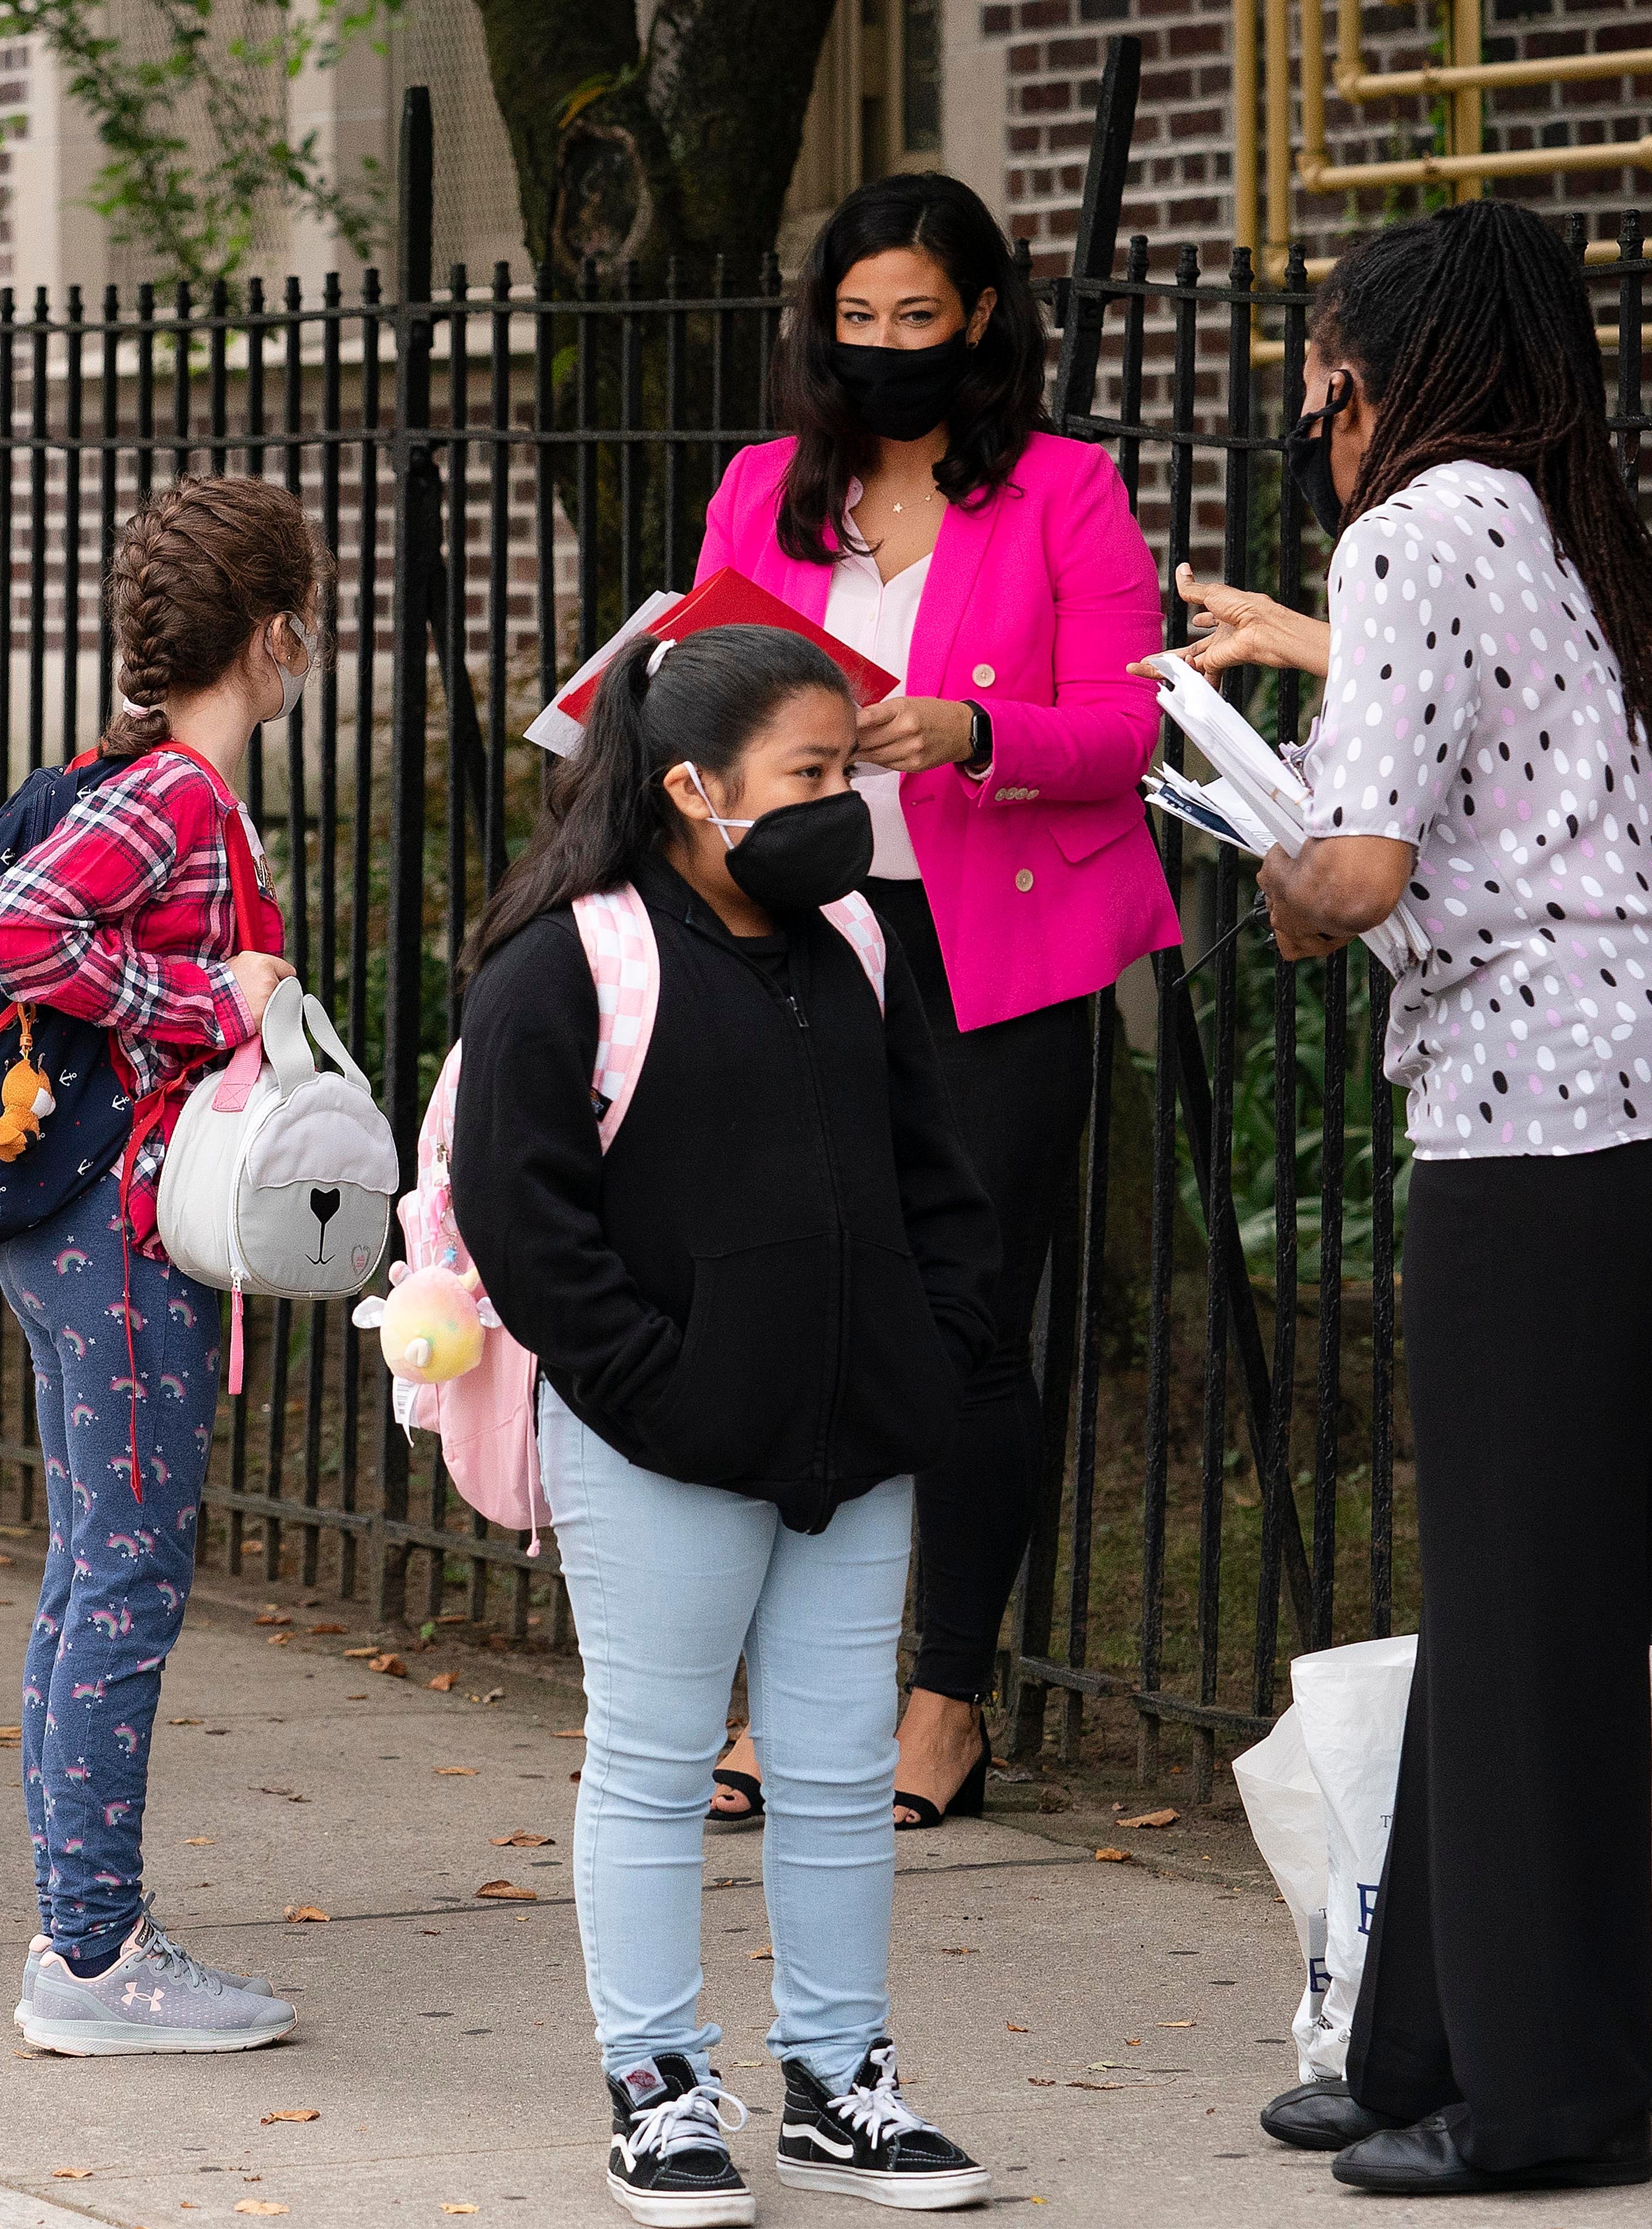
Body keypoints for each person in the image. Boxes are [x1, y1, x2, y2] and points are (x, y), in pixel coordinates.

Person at [1181, 199, 1652, 2195]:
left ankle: (1547, 2100)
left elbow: (1353, 872)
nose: (1314, 419)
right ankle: (1421, 2035)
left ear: (1386, 379)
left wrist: (1271, 866)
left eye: (1321, 385)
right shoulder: (1567, 530)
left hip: (1552, 1111)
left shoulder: (1413, 527)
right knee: (1528, 1580)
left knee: (1525, 1597)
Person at [450, 625, 1005, 2224]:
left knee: (838, 1771)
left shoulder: (861, 949)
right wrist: (660, 1389)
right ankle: (661, 2088)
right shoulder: (568, 963)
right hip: (659, 1449)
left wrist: (931, 1350)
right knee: (655, 1763)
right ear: (696, 788)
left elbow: (938, 1181)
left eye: (849, 767)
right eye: (813, 775)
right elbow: (525, 1218)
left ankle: (838, 2085)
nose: (848, 801)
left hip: (857, 1440)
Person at [693, 172, 1173, 1831]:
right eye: (856, 319)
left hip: (994, 954)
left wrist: (973, 731)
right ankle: (778, 1699)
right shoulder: (766, 489)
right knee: (788, 1307)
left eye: (918, 316)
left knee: (967, 1325)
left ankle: (944, 1702)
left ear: (978, 320)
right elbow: (700, 682)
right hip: (793, 931)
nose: (884, 346)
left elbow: (1127, 729)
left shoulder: (1065, 493)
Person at [0, 475, 314, 2055]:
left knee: (93, 1572)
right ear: (277, 633)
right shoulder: (177, 794)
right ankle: (95, 1959)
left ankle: (85, 1933)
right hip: (120, 1230)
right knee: (126, 1578)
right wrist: (204, 1006)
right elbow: (15, 933)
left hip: (97, 1225)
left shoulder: (160, 785)